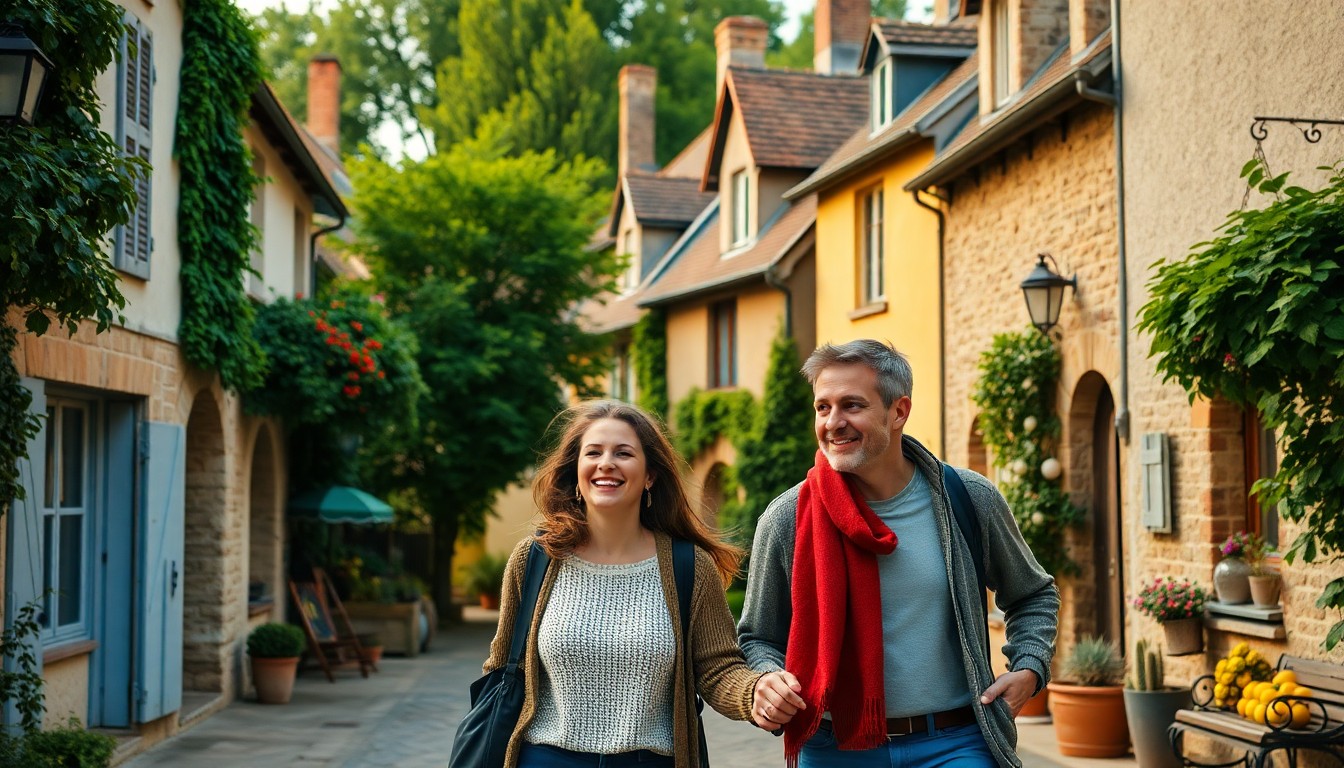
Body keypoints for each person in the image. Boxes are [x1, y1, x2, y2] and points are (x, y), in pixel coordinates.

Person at [738, 340, 1059, 768]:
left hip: (954, 743)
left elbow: (1033, 595)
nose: (833, 422)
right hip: (834, 748)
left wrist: (1029, 668)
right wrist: (767, 679)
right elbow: (758, 636)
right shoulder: (786, 518)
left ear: (899, 411)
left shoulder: (967, 499)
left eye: (852, 405)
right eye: (822, 407)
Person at [483, 399, 807, 768]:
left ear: (650, 475)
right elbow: (500, 669)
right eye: (593, 452)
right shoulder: (535, 560)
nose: (606, 463)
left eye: (623, 453)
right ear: (576, 470)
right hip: (543, 758)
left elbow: (719, 668)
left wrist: (754, 692)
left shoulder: (689, 567)